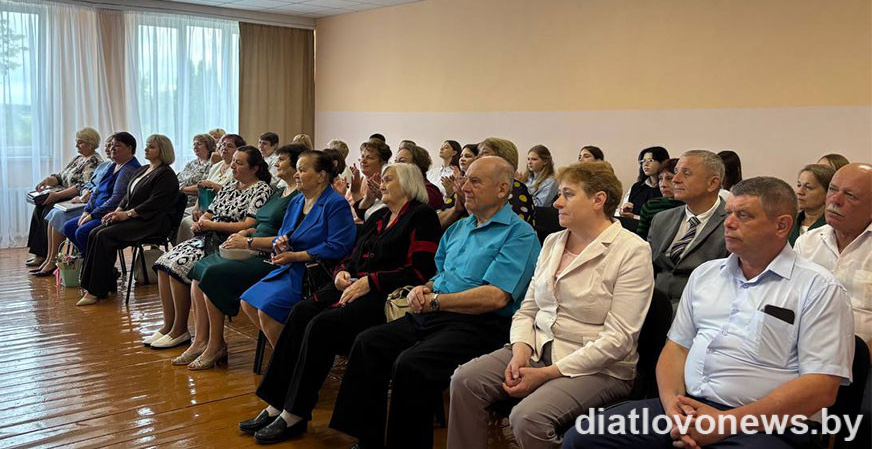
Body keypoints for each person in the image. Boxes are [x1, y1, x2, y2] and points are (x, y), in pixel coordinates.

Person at [563, 177, 855, 449]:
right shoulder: (706, 275)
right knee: (583, 436)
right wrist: (672, 405)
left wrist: (726, 423)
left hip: (769, 423)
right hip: (688, 407)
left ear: (782, 226)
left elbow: (821, 387)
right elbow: (676, 348)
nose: (728, 223)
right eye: (728, 213)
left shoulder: (819, 288)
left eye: (743, 215)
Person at [329, 156, 541, 449]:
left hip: (481, 324)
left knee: (412, 364)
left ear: (503, 189)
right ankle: (368, 440)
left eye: (475, 182)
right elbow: (439, 275)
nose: (464, 188)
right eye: (465, 180)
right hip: (438, 312)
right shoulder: (458, 228)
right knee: (368, 343)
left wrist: (436, 301)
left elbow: (495, 296)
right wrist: (424, 289)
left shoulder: (519, 234)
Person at [448, 162, 654, 448]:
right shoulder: (553, 242)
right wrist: (520, 351)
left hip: (598, 368)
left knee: (528, 417)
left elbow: (618, 340)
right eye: (559, 194)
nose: (557, 202)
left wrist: (545, 374)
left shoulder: (632, 251)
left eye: (567, 194)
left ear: (598, 200)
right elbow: (528, 310)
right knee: (465, 380)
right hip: (539, 347)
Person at [238, 163, 441, 443]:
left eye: (388, 179)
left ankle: (294, 414)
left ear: (408, 184)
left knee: (322, 324)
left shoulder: (422, 217)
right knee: (301, 311)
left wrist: (371, 282)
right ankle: (277, 403)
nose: (381, 184)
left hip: (386, 295)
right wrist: (341, 272)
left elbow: (420, 271)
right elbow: (351, 256)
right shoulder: (380, 216)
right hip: (353, 286)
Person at [176, 144, 307, 369]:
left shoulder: (298, 197)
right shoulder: (280, 191)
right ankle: (202, 341)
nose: (275, 163)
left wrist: (248, 241)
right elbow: (260, 223)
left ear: (296, 166)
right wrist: (245, 233)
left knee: (213, 273)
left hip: (270, 256)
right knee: (200, 272)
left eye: (282, 159)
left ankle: (216, 345)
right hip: (253, 245)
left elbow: (287, 238)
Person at [145, 146, 273, 351]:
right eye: (234, 161)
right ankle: (169, 325)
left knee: (177, 267)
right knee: (163, 263)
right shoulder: (230, 185)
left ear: (254, 168)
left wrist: (212, 225)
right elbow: (210, 212)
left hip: (228, 241)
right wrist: (202, 221)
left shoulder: (261, 189)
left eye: (239, 163)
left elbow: (249, 224)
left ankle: (180, 329)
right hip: (208, 236)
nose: (233, 166)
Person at [240, 150, 356, 347]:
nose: (296, 175)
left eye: (302, 170)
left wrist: (295, 256)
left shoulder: (335, 203)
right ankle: (292, 349)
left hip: (316, 274)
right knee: (247, 302)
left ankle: (288, 358)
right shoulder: (297, 200)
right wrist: (281, 244)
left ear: (321, 176)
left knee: (267, 310)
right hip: (290, 268)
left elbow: (338, 246)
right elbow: (283, 235)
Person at [794, 163, 872, 448]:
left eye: (850, 195)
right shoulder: (807, 243)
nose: (835, 200)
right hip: (804, 355)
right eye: (833, 190)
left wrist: (854, 356)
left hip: (865, 359)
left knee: (863, 421)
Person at [76, 135, 180, 306]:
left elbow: (154, 203)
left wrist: (128, 214)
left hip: (150, 222)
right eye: (147, 146)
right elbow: (126, 196)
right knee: (95, 232)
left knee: (103, 236)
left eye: (151, 147)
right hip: (134, 218)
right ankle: (101, 284)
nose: (146, 149)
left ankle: (95, 291)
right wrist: (117, 211)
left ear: (163, 151)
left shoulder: (166, 175)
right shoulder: (143, 169)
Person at [49, 133, 141, 272]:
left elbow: (116, 200)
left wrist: (92, 215)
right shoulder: (113, 165)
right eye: (111, 145)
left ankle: (99, 269)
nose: (112, 148)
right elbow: (96, 191)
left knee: (82, 232)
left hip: (112, 214)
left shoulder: (129, 169)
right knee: (69, 227)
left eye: (117, 145)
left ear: (130, 148)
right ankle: (93, 265)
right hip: (97, 211)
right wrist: (87, 211)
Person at [647, 150, 727, 304]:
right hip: (652, 306)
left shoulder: (732, 224)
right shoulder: (661, 219)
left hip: (700, 309)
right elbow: (646, 268)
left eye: (686, 173)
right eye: (676, 172)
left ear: (712, 183)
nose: (675, 179)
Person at [34, 135, 115, 274]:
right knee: (43, 209)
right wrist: (47, 180)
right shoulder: (96, 163)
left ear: (91, 144)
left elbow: (95, 188)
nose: (108, 149)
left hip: (88, 203)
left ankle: (54, 260)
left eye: (80, 142)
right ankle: (46, 257)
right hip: (82, 199)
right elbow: (84, 184)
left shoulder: (97, 162)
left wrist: (84, 195)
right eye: (107, 145)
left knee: (54, 212)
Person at [440, 137, 535, 229]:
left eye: (484, 153)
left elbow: (503, 232)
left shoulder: (517, 190)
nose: (476, 158)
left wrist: (467, 203)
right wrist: (456, 210)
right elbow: (435, 222)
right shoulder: (467, 186)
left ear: (503, 160)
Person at [178, 134, 244, 242]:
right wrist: (196, 208)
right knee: (184, 217)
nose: (224, 148)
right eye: (222, 145)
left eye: (229, 146)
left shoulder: (238, 168)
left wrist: (213, 185)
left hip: (223, 209)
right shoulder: (216, 166)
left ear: (239, 150)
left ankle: (198, 246)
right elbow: (203, 189)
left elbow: (235, 192)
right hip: (206, 206)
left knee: (186, 220)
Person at [636, 158, 682, 240]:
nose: (663, 184)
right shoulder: (651, 206)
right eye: (660, 178)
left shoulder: (691, 206)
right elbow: (641, 239)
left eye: (669, 178)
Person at [788, 163, 834, 245]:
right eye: (799, 185)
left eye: (809, 187)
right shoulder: (789, 222)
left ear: (828, 193)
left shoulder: (834, 227)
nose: (799, 192)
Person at [619, 146, 669, 218]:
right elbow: (623, 211)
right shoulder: (636, 187)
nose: (645, 164)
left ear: (662, 163)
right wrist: (624, 211)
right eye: (643, 161)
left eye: (650, 160)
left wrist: (634, 217)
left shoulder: (667, 188)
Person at [350, 139, 392, 222]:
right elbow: (362, 214)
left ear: (383, 162)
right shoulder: (365, 180)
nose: (363, 161)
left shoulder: (390, 183)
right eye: (362, 156)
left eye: (369, 158)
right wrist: (358, 194)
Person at [395, 144, 445, 210]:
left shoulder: (429, 192)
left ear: (417, 165)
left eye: (402, 161)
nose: (395, 165)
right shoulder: (402, 188)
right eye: (395, 161)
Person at [177, 134, 216, 207]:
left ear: (209, 146)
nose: (195, 147)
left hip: (195, 203)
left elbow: (204, 187)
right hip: (179, 198)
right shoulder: (191, 163)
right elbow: (179, 179)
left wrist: (182, 189)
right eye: (194, 144)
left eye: (199, 144)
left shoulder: (212, 165)